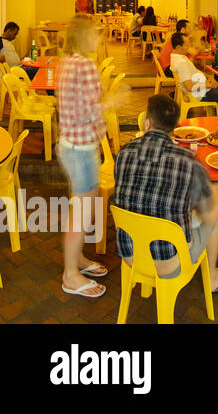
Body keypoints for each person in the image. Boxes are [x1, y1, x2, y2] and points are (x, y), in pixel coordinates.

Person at [114, 94, 218, 295]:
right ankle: (213, 277)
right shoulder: (188, 160)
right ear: (175, 128)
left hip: (130, 254)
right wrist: (217, 196)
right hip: (168, 262)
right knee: (212, 215)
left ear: (147, 123)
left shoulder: (124, 152)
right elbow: (208, 215)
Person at [55, 15, 119, 298]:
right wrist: (110, 102)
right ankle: (70, 275)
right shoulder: (86, 66)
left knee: (79, 208)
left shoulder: (67, 62)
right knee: (81, 214)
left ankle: (78, 259)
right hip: (81, 149)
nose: (99, 38)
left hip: (70, 144)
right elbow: (86, 112)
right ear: (84, 36)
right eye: (95, 34)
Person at [170, 33, 218, 116]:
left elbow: (194, 71)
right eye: (187, 44)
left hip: (203, 89)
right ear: (178, 47)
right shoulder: (181, 62)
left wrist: (208, 77)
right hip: (202, 93)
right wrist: (207, 84)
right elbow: (189, 86)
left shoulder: (176, 57)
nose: (189, 46)